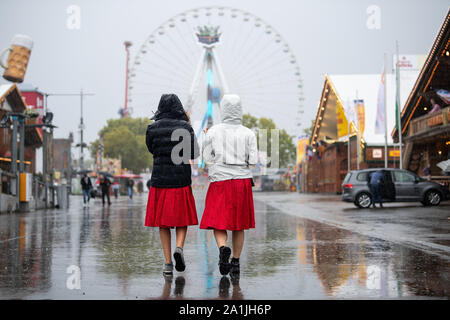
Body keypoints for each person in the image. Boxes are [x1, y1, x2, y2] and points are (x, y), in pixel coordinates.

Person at [200, 94, 258, 278]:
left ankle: (223, 248)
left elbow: (207, 158)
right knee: (239, 225)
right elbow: (254, 161)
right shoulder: (249, 133)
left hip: (220, 181)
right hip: (242, 182)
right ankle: (236, 262)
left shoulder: (213, 132)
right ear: (240, 109)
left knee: (219, 222)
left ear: (223, 110)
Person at [144, 93, 199, 277]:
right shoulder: (185, 128)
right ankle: (179, 247)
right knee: (182, 219)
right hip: (181, 180)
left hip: (160, 180)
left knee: (163, 223)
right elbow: (193, 154)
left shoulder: (152, 129)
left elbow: (152, 149)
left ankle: (168, 263)